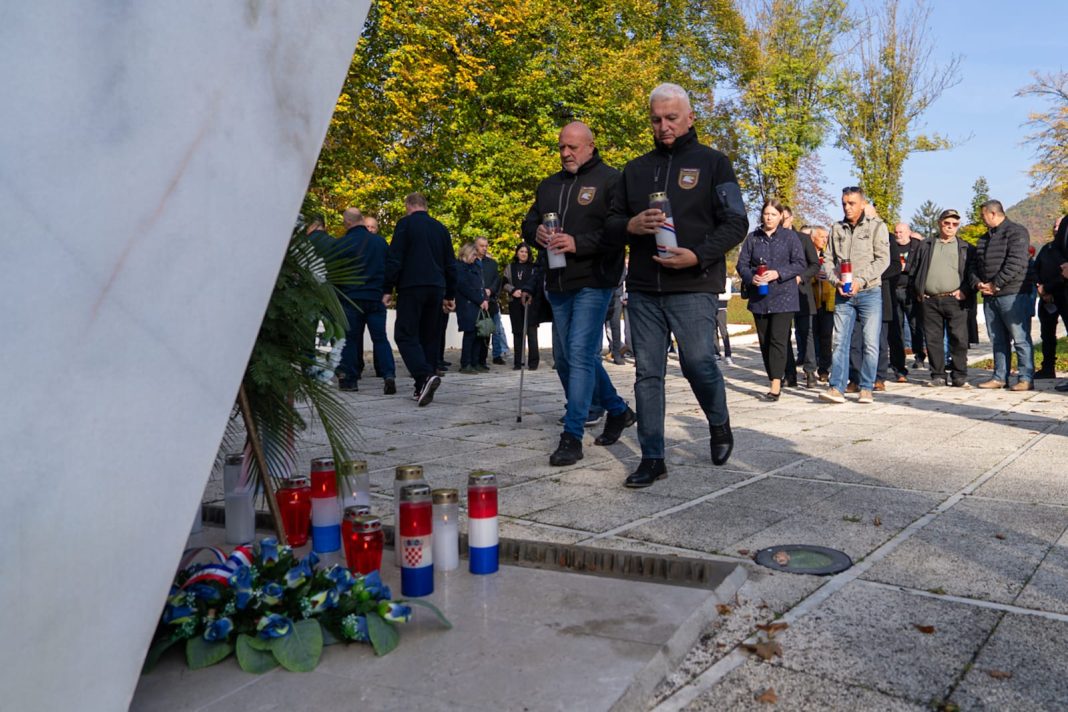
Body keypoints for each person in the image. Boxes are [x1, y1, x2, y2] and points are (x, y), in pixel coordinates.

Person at [606, 82, 748, 486]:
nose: (664, 126)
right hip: (645, 287)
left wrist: (698, 255)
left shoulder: (714, 163)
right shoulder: (634, 170)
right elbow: (610, 224)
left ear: (690, 118)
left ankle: (718, 422)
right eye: (656, 119)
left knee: (698, 361)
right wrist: (631, 225)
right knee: (647, 372)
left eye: (671, 118)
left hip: (693, 282)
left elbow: (736, 222)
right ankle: (653, 457)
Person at [520, 121, 635, 467]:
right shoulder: (548, 185)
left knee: (581, 353)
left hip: (595, 280)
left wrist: (577, 243)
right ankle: (618, 410)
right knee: (567, 357)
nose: (566, 153)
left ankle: (572, 435)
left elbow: (618, 232)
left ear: (590, 146)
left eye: (573, 147)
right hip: (557, 282)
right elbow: (528, 223)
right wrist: (536, 233)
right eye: (561, 147)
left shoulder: (611, 180)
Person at [384, 193, 456, 406]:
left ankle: (424, 376)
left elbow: (395, 258)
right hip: (436, 288)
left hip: (412, 285)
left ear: (409, 206)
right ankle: (421, 387)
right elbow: (451, 264)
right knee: (429, 337)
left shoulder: (405, 224)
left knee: (405, 334)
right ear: (425, 206)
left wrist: (387, 287)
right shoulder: (441, 228)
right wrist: (450, 294)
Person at [818, 187, 889, 404]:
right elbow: (828, 260)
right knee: (840, 341)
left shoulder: (877, 226)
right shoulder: (837, 228)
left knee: (870, 342)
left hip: (869, 292)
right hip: (843, 294)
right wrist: (835, 280)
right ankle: (836, 387)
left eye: (852, 203)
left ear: (862, 204)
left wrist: (860, 281)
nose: (847, 207)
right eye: (844, 203)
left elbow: (883, 260)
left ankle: (866, 387)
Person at [737, 200, 806, 400]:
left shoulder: (790, 237)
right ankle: (773, 375)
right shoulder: (752, 238)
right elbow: (742, 265)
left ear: (780, 217)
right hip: (760, 297)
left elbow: (800, 263)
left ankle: (775, 384)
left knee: (778, 339)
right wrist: (751, 277)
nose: (769, 218)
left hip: (784, 296)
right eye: (766, 214)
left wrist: (778, 273)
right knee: (765, 341)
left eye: (773, 214)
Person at [968, 200, 1033, 391]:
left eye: (983, 215)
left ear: (993, 213)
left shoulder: (1016, 232)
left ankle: (1025, 378)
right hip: (990, 297)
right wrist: (978, 283)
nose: (982, 219)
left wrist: (996, 284)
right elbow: (973, 265)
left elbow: (1016, 262)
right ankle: (999, 377)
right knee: (997, 339)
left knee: (1020, 339)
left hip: (1012, 294)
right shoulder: (983, 239)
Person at [333, 208, 397, 395]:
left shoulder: (341, 244)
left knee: (350, 340)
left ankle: (350, 380)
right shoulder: (379, 242)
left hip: (351, 298)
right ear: (361, 219)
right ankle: (388, 374)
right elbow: (391, 267)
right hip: (376, 297)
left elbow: (335, 274)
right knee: (380, 339)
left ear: (347, 222)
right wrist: (388, 290)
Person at [910, 209, 975, 387]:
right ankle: (937, 375)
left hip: (956, 300)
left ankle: (959, 375)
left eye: (955, 224)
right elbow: (913, 270)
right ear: (940, 223)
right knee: (933, 339)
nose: (950, 227)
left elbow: (973, 273)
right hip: (929, 299)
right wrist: (918, 290)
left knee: (959, 338)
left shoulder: (966, 247)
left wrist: (965, 290)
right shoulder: (925, 245)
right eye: (947, 223)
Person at [783, 212, 820, 388]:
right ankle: (789, 373)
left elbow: (815, 264)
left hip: (801, 291)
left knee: (807, 332)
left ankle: (810, 370)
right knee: (783, 334)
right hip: (781, 293)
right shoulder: (774, 240)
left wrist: (801, 277)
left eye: (785, 217)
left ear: (791, 218)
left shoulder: (803, 239)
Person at [502, 243, 542, 370]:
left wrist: (529, 293)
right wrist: (513, 290)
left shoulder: (534, 268)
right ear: (517, 253)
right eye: (521, 251)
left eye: (526, 252)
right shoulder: (510, 267)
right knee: (517, 333)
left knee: (532, 333)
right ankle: (518, 363)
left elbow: (538, 283)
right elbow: (504, 282)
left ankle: (533, 363)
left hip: (530, 303)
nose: (524, 254)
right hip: (515, 302)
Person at [453, 243, 490, 374]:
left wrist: (485, 299)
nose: (475, 257)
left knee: (478, 334)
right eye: (473, 255)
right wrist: (480, 300)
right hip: (467, 305)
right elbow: (464, 287)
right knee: (469, 334)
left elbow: (481, 285)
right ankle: (466, 363)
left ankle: (475, 362)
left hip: (478, 304)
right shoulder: (459, 267)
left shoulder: (475, 267)